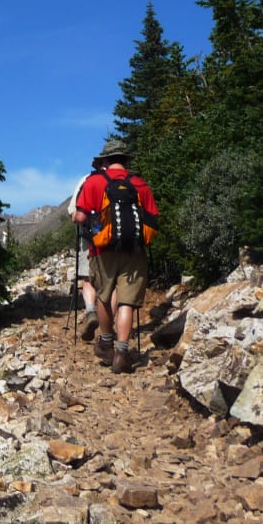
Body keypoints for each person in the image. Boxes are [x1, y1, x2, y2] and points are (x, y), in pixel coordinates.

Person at [71, 140, 158, 374]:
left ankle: (106, 343)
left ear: (105, 161)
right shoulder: (139, 183)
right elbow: (152, 218)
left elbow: (79, 217)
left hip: (102, 251)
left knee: (103, 296)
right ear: (126, 160)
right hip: (134, 251)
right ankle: (122, 352)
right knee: (127, 302)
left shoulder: (94, 182)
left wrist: (91, 222)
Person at [67, 172, 98, 341]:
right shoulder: (128, 179)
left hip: (90, 237)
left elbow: (74, 213)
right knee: (113, 282)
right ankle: (111, 329)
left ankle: (91, 311)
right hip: (118, 241)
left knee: (88, 278)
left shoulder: (87, 180)